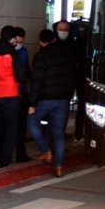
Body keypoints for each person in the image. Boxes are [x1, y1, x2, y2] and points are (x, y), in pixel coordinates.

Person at [27, 29, 76, 177]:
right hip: (63, 99)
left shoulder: (41, 56)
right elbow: (72, 77)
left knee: (31, 122)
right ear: (54, 40)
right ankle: (59, 166)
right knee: (58, 133)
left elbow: (37, 81)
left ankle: (45, 151)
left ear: (41, 42)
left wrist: (32, 103)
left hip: (45, 98)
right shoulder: (67, 56)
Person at [0, 26, 26, 170]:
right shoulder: (12, 53)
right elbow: (20, 75)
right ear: (12, 39)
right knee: (10, 129)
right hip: (10, 95)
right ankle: (5, 160)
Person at [54, 19, 86, 143]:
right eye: (60, 30)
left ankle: (78, 133)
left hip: (76, 77)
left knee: (81, 105)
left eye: (65, 30)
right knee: (63, 108)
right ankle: (61, 134)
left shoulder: (75, 42)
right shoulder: (54, 43)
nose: (63, 32)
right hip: (63, 81)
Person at [13, 26, 31, 162]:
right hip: (12, 93)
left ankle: (21, 152)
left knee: (21, 125)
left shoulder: (24, 51)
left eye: (21, 42)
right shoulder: (7, 52)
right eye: (17, 42)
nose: (19, 45)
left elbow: (27, 69)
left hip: (23, 92)